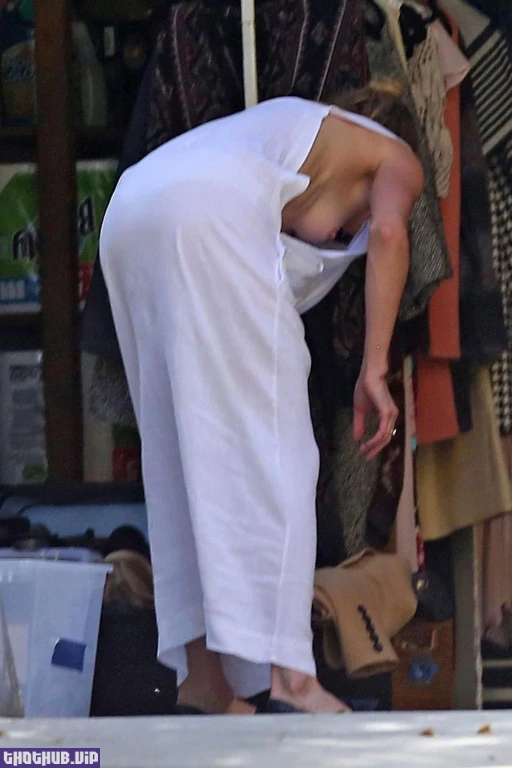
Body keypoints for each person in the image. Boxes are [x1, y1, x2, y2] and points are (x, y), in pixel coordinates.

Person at [99, 79, 424, 715]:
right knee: (278, 452)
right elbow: (389, 233)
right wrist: (375, 367)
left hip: (129, 212)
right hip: (206, 216)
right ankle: (292, 681)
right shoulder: (397, 156)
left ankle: (205, 681)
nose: (345, 236)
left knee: (182, 454)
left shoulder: (286, 135)